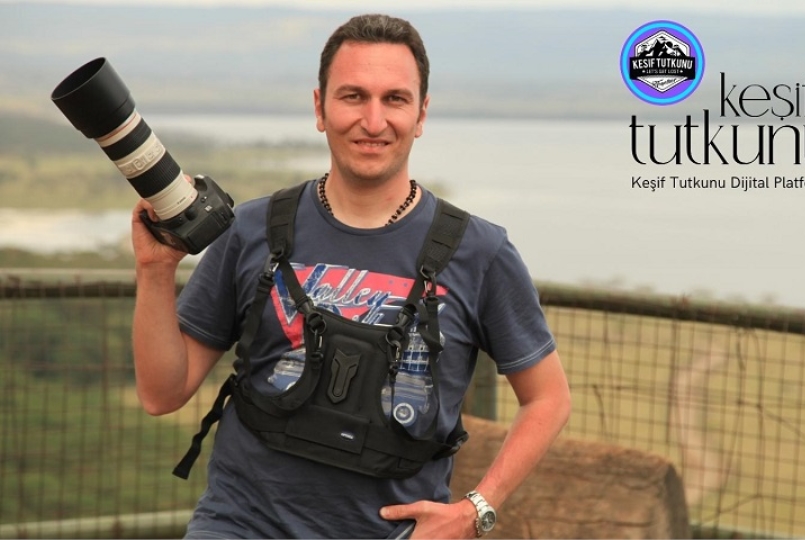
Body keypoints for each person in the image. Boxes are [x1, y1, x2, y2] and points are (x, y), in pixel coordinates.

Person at [131, 13, 570, 539]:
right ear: (320, 108)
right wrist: (155, 269)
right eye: (353, 96)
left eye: (395, 99)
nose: (374, 120)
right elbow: (162, 394)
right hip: (242, 524)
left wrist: (475, 510)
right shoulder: (252, 229)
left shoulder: (480, 251)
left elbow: (548, 399)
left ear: (421, 114)